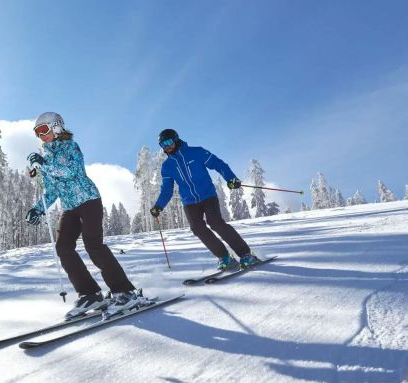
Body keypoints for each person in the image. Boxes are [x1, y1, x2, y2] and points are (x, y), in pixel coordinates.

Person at [26, 112, 145, 320]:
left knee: (93, 245)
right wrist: (38, 208)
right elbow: (52, 190)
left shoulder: (70, 147)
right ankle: (90, 294)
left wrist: (45, 165)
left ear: (56, 127)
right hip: (70, 207)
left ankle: (124, 291)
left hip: (88, 201)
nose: (40, 136)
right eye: (37, 133)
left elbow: (72, 171)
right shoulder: (45, 158)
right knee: (63, 248)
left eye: (43, 130)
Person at [149, 128, 261, 270]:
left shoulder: (197, 152)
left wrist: (231, 178)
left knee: (216, 223)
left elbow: (218, 164)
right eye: (163, 145)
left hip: (208, 196)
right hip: (189, 202)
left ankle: (246, 255)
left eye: (169, 142)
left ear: (176, 139)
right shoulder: (167, 166)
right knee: (197, 228)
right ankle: (224, 257)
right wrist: (159, 206)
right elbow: (167, 190)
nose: (167, 147)